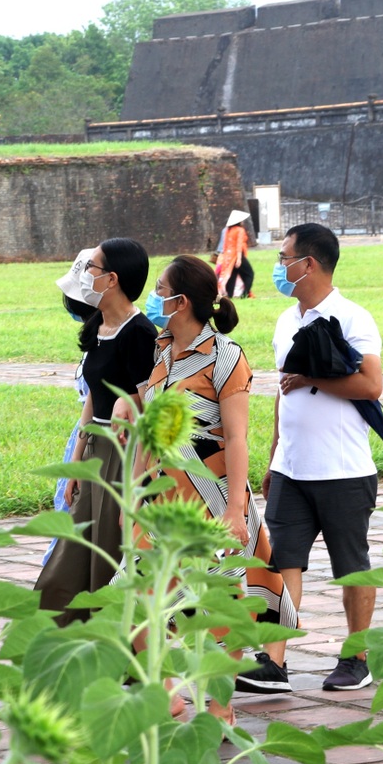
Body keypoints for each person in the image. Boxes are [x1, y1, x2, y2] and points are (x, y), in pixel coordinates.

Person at [139, 254, 297, 721]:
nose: (156, 297)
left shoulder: (225, 356)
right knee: (139, 602)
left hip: (212, 501)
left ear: (180, 300)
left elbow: (236, 437)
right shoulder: (162, 351)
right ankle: (168, 697)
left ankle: (219, 709)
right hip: (161, 500)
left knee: (222, 607)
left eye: (160, 288)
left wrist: (234, 508)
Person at [262, 223, 382, 692]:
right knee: (282, 561)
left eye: (283, 256)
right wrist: (274, 455)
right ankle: (274, 661)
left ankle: (357, 656)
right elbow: (282, 392)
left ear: (307, 263)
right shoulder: (285, 320)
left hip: (343, 469)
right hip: (292, 467)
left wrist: (313, 379)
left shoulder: (353, 318)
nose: (278, 265)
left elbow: (371, 386)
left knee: (351, 563)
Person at [35, 238, 158, 624]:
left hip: (124, 454)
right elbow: (93, 398)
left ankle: (112, 642)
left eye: (93, 268)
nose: (85, 275)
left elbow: (149, 403)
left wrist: (137, 480)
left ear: (112, 279)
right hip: (93, 452)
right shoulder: (99, 326)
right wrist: (75, 463)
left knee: (108, 547)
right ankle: (58, 632)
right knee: (75, 547)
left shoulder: (139, 332)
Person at [40, 249, 97, 567]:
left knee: (71, 525)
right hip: (83, 437)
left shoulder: (123, 335)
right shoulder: (98, 336)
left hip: (96, 440)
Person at [217, 209, 255, 299]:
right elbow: (239, 245)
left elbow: (225, 245)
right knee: (249, 274)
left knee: (232, 276)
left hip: (228, 256)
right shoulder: (240, 230)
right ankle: (245, 294)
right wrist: (239, 258)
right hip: (237, 255)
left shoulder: (228, 230)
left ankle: (230, 294)